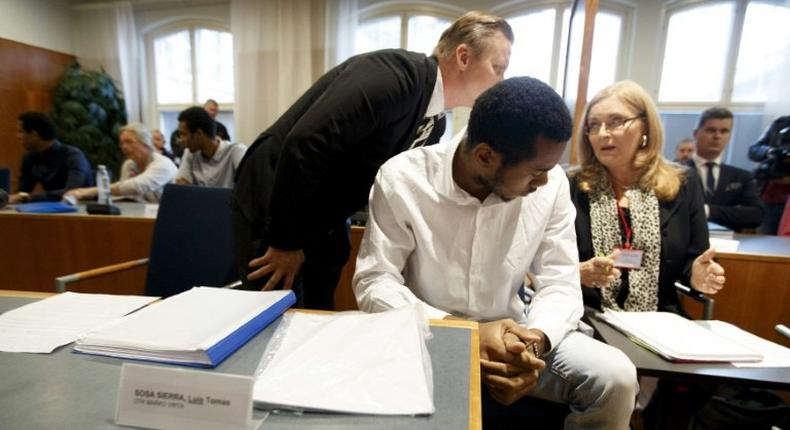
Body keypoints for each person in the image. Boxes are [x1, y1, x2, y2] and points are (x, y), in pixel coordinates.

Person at [354, 77, 638, 428]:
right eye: (536, 172)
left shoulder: (552, 187)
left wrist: (532, 345)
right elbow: (375, 282)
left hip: (518, 334)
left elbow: (560, 283)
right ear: (485, 156)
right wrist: (466, 335)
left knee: (616, 379)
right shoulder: (403, 178)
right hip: (427, 334)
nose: (544, 183)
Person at [233, 11, 514, 310]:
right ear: (463, 56)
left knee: (320, 310)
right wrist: (286, 241)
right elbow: (307, 144)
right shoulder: (394, 75)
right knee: (277, 319)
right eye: (498, 68)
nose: (502, 80)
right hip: (276, 201)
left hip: (323, 216)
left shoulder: (434, 125)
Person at [569, 81, 726, 314]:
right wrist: (578, 272)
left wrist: (698, 275)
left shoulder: (683, 182)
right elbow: (545, 265)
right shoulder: (571, 186)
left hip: (660, 317)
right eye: (593, 125)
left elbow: (693, 260)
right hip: (587, 314)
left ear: (645, 127)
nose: (602, 133)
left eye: (616, 122)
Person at [682, 107, 763, 232]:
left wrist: (708, 210)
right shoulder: (675, 172)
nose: (717, 136)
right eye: (711, 130)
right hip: (683, 242)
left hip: (729, 244)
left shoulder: (741, 177)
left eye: (724, 131)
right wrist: (733, 212)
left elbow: (756, 215)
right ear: (696, 134)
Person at [65, 123, 177, 203]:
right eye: (122, 143)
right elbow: (127, 194)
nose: (124, 147)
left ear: (146, 143)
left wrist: (89, 191)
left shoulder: (163, 164)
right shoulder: (129, 164)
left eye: (129, 142)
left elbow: (136, 187)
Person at [9, 111, 92, 203]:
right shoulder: (30, 158)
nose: (18, 136)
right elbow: (22, 192)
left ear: (34, 135)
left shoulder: (73, 155)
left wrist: (27, 197)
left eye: (21, 132)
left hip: (82, 210)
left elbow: (71, 192)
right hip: (50, 210)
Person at [175, 107, 247, 188]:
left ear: (199, 133)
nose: (180, 140)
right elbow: (181, 189)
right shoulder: (189, 153)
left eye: (184, 134)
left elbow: (250, 185)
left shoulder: (236, 151)